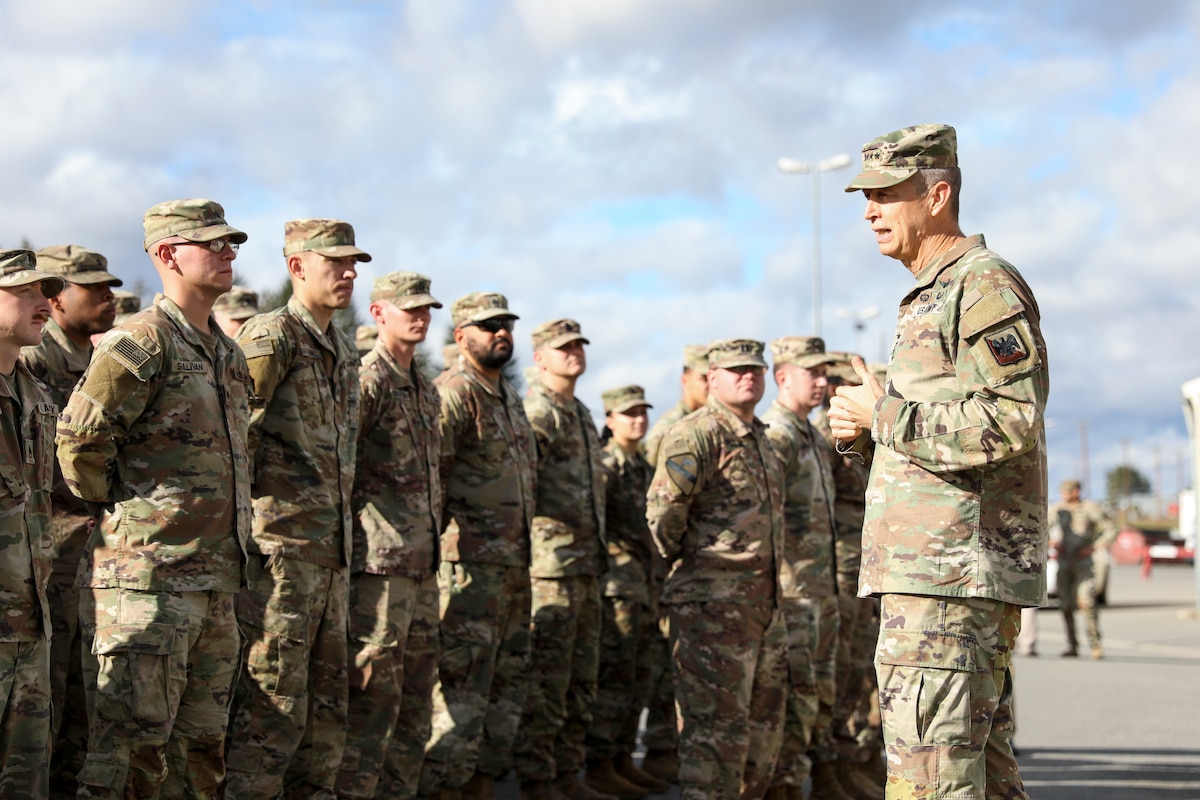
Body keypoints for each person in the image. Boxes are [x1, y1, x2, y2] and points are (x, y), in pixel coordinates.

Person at [829, 123, 1049, 799]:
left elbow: (1007, 420)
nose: (868, 211)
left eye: (885, 194)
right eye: (866, 197)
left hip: (949, 586)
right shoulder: (931, 292)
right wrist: (866, 434)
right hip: (937, 580)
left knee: (933, 786)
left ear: (938, 195)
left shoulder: (980, 286)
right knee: (981, 781)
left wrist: (882, 416)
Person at [57, 198, 252, 798]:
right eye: (212, 243)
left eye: (230, 242)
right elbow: (79, 442)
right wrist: (131, 518)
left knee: (200, 758)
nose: (229, 252)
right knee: (128, 759)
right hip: (150, 587)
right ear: (168, 254)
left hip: (216, 585)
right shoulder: (142, 341)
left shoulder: (227, 353)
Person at [224, 218, 368, 798]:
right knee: (272, 705)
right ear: (297, 266)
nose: (350, 273)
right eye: (336, 262)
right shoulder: (270, 336)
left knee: (327, 710)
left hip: (329, 553)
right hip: (280, 552)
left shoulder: (339, 344)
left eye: (354, 263)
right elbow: (235, 438)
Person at [647, 339, 788, 800]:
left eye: (755, 368)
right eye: (735, 370)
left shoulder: (760, 436)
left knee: (762, 731)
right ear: (711, 379)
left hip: (762, 604)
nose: (748, 376)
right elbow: (664, 513)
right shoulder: (697, 434)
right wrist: (696, 568)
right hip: (711, 607)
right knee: (714, 735)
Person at [419, 292, 537, 800]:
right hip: (466, 569)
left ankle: (481, 784)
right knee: (462, 689)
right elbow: (433, 480)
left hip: (512, 566)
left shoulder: (508, 396)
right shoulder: (453, 394)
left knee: (506, 688)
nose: (501, 333)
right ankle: (447, 787)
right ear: (461, 334)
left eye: (506, 324)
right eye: (489, 325)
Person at [336, 272, 443, 799]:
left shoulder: (424, 385)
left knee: (416, 702)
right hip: (378, 568)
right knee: (373, 701)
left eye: (426, 309)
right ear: (379, 314)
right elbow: (343, 467)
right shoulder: (368, 379)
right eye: (410, 310)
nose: (421, 318)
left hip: (422, 565)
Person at [19, 244, 121, 794]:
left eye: (111, 287)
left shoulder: (98, 362)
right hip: (47, 560)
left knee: (86, 699)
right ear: (56, 299)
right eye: (95, 288)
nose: (110, 297)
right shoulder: (31, 361)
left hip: (94, 558)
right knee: (46, 701)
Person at [516, 319, 610, 800]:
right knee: (548, 681)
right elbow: (522, 484)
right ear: (540, 358)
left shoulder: (578, 413)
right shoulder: (540, 412)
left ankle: (568, 774)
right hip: (550, 567)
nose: (574, 352)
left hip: (585, 566)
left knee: (579, 679)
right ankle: (538, 778)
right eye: (562, 347)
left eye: (578, 344)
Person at [761, 336, 853, 800]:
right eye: (811, 373)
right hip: (792, 591)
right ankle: (784, 786)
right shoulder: (775, 436)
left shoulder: (811, 435)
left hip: (820, 588)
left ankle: (817, 776)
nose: (821, 382)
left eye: (824, 374)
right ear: (782, 376)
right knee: (794, 695)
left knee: (821, 691)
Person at [584, 385, 671, 798]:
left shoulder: (639, 465)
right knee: (615, 676)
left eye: (641, 412)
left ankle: (620, 758)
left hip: (644, 585)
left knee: (639, 676)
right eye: (628, 413)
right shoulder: (606, 465)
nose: (637, 419)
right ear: (609, 419)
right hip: (618, 586)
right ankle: (600, 761)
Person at [0, 249, 64, 796]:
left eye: (46, 292)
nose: (44, 303)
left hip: (29, 624)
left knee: (26, 780)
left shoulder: (36, 396)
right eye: (25, 291)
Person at [817, 353, 885, 800]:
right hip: (839, 566)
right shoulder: (828, 433)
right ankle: (835, 764)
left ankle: (858, 757)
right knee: (840, 669)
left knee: (862, 667)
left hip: (865, 559)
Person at [639, 343, 707, 784]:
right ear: (686, 378)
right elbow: (661, 503)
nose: (710, 383)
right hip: (670, 565)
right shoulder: (672, 428)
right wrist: (672, 555)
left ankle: (671, 751)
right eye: (704, 376)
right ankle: (662, 748)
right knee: (667, 662)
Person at [1049, 479, 1115, 660]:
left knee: (1086, 601)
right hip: (1064, 562)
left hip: (1083, 562)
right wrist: (1050, 542)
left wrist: (1095, 546)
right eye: (1062, 492)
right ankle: (1072, 645)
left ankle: (1095, 644)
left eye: (1067, 492)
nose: (1064, 495)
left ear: (1076, 492)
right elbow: (1042, 527)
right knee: (1065, 605)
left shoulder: (1089, 508)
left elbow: (1110, 529)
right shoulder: (1058, 509)